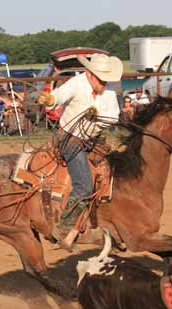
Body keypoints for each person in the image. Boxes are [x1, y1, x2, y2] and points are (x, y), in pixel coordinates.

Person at [37, 53, 121, 248]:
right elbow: (60, 96)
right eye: (101, 78)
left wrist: (97, 115)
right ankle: (64, 226)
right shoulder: (77, 83)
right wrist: (50, 99)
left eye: (105, 79)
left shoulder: (108, 93)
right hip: (69, 138)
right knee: (83, 185)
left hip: (95, 138)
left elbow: (114, 116)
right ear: (90, 74)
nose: (104, 83)